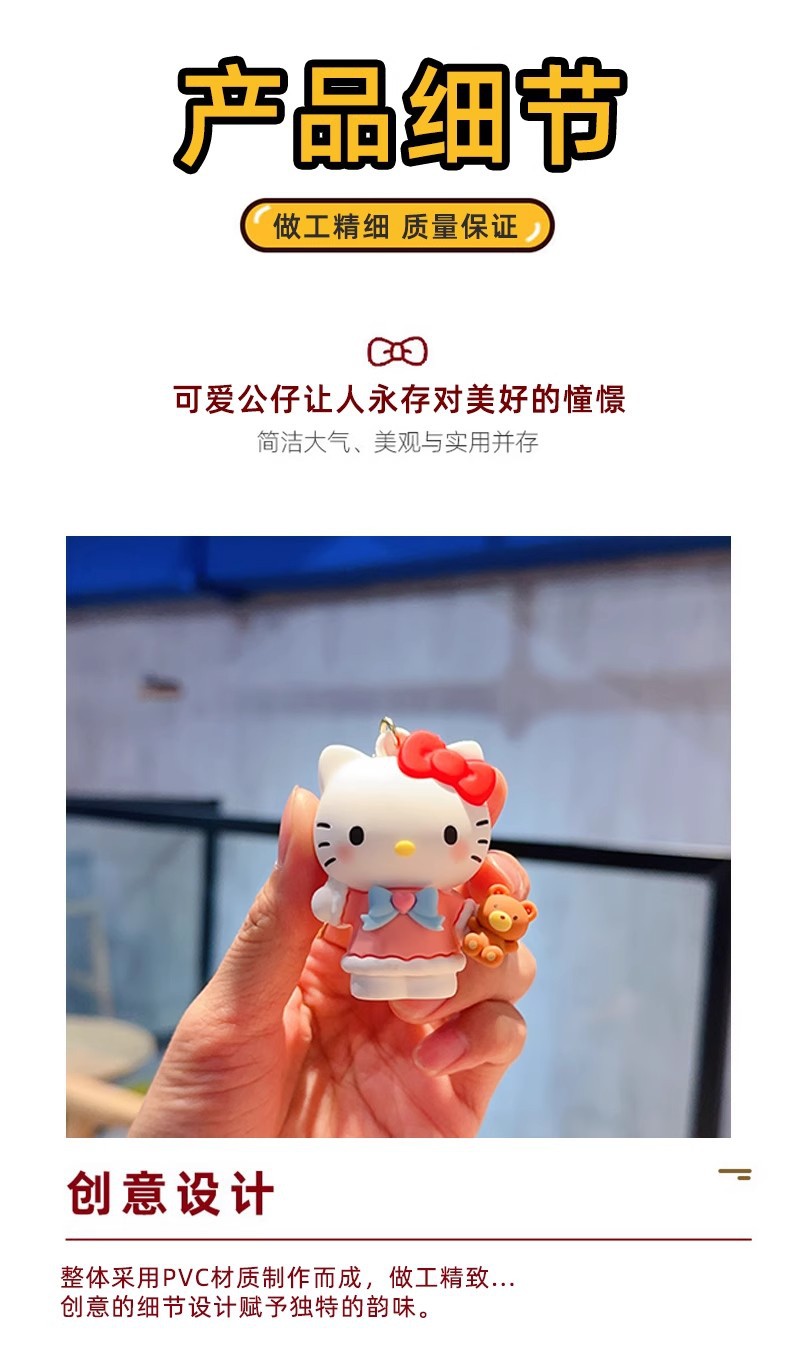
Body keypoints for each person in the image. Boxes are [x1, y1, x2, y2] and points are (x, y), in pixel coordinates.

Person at [129, 786, 536, 1137]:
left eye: (446, 834)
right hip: (370, 962)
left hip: (436, 962)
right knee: (393, 986)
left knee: (432, 992)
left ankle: (430, 989)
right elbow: (330, 907)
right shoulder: (363, 895)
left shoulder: (440, 897)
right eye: (361, 834)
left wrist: (488, 924)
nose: (404, 847)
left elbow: (470, 918)